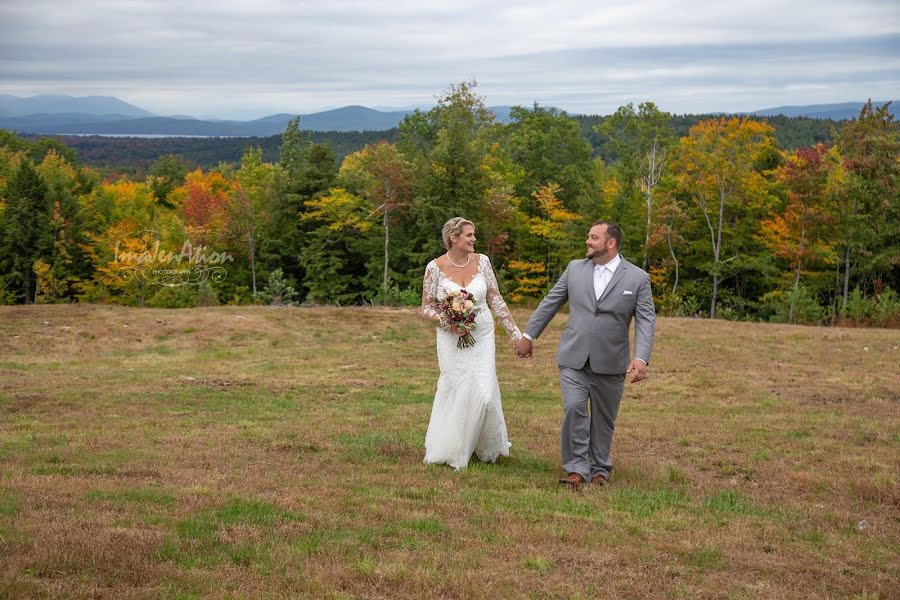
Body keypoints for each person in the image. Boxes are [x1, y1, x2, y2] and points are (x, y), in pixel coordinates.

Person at [515, 221, 655, 488]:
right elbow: (550, 302)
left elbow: (646, 320)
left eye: (593, 237)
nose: (587, 242)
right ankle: (577, 468)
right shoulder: (574, 269)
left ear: (610, 243)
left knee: (603, 419)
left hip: (612, 362)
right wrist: (528, 335)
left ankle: (599, 467)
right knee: (574, 409)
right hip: (573, 358)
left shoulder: (638, 278)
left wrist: (641, 358)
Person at [421, 217, 523, 469]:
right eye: (469, 235)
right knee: (455, 388)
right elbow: (426, 308)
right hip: (450, 338)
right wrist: (447, 321)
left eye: (473, 235)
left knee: (485, 394)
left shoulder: (483, 262)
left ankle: (486, 446)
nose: (474, 239)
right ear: (453, 238)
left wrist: (516, 335)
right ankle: (454, 447)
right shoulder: (434, 268)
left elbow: (495, 299)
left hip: (482, 334)